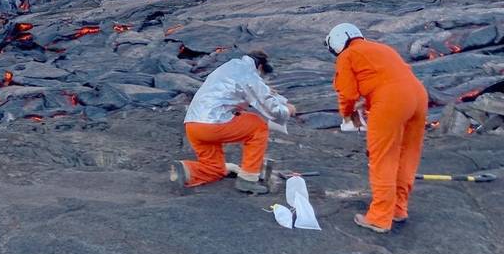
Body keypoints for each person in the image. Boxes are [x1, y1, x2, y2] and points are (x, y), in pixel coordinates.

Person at [325, 23, 428, 234]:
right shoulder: (381, 48)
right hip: (418, 96)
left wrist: (347, 114)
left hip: (391, 101)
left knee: (383, 157)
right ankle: (398, 208)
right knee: (408, 154)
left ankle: (380, 217)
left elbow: (347, 94)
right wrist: (370, 102)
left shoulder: (347, 56)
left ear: (337, 42)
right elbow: (388, 79)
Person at [172, 50, 295, 195]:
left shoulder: (228, 68)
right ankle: (248, 179)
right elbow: (271, 108)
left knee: (215, 169)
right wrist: (287, 109)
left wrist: (266, 91)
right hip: (212, 124)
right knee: (257, 125)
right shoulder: (248, 74)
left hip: (193, 125)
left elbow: (233, 95)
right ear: (260, 67)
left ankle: (184, 170)